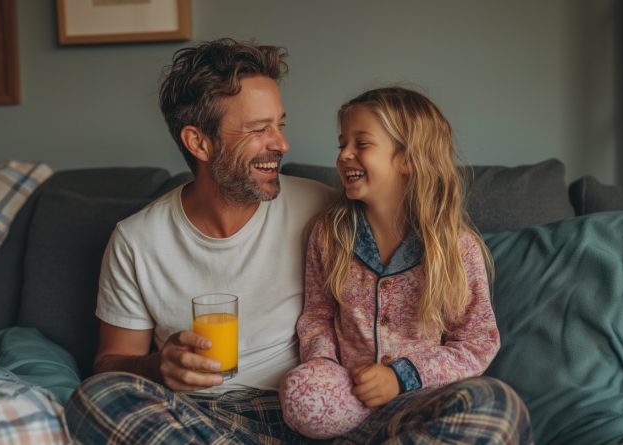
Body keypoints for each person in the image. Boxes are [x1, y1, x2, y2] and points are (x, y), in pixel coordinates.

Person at [64, 39, 533, 444]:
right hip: (209, 424)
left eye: (280, 124)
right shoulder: (136, 240)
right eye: (258, 130)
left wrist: (392, 376)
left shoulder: (328, 211)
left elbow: (413, 235)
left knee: (494, 405)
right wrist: (158, 368)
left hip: (331, 414)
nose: (282, 145)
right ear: (199, 143)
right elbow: (109, 363)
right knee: (96, 399)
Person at [279, 86, 531, 442]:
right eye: (342, 144)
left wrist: (401, 376)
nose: (344, 155)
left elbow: (476, 342)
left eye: (361, 144)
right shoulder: (329, 234)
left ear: (408, 158)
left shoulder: (457, 249)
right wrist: (324, 365)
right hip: (346, 399)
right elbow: (317, 317)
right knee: (300, 392)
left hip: (421, 403)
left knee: (497, 402)